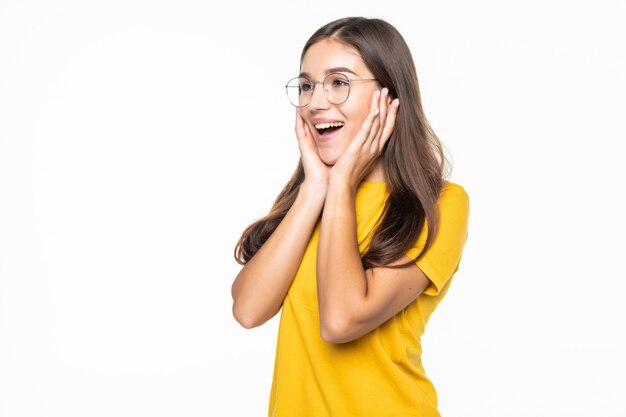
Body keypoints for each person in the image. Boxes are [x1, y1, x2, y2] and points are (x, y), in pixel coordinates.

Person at [231, 16, 469, 417]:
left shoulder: (440, 204)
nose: (316, 102)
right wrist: (315, 189)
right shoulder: (308, 203)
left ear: (389, 97)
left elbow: (340, 322)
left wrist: (341, 185)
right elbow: (248, 310)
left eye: (339, 83)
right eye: (306, 85)